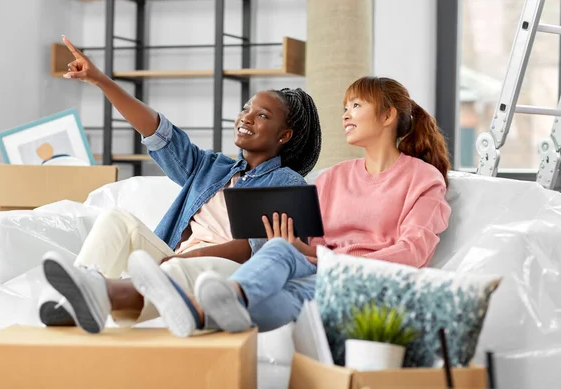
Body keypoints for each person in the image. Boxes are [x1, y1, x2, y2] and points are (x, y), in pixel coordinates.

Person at [119, 75, 453, 337]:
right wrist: (300, 246)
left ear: (388, 115)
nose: (345, 114)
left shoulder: (423, 180)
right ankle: (212, 308)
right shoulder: (333, 178)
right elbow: (312, 243)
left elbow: (413, 251)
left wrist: (326, 259)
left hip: (365, 277)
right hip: (322, 270)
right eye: (345, 107)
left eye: (356, 105)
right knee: (279, 252)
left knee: (284, 273)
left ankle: (207, 307)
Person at [38, 36, 322, 335]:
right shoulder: (211, 167)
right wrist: (100, 80)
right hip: (173, 257)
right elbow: (158, 132)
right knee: (115, 219)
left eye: (262, 115)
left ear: (284, 135)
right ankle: (73, 299)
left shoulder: (287, 182)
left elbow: (254, 248)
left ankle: (102, 293)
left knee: (174, 270)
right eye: (246, 109)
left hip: (224, 275)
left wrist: (187, 256)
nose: (246, 117)